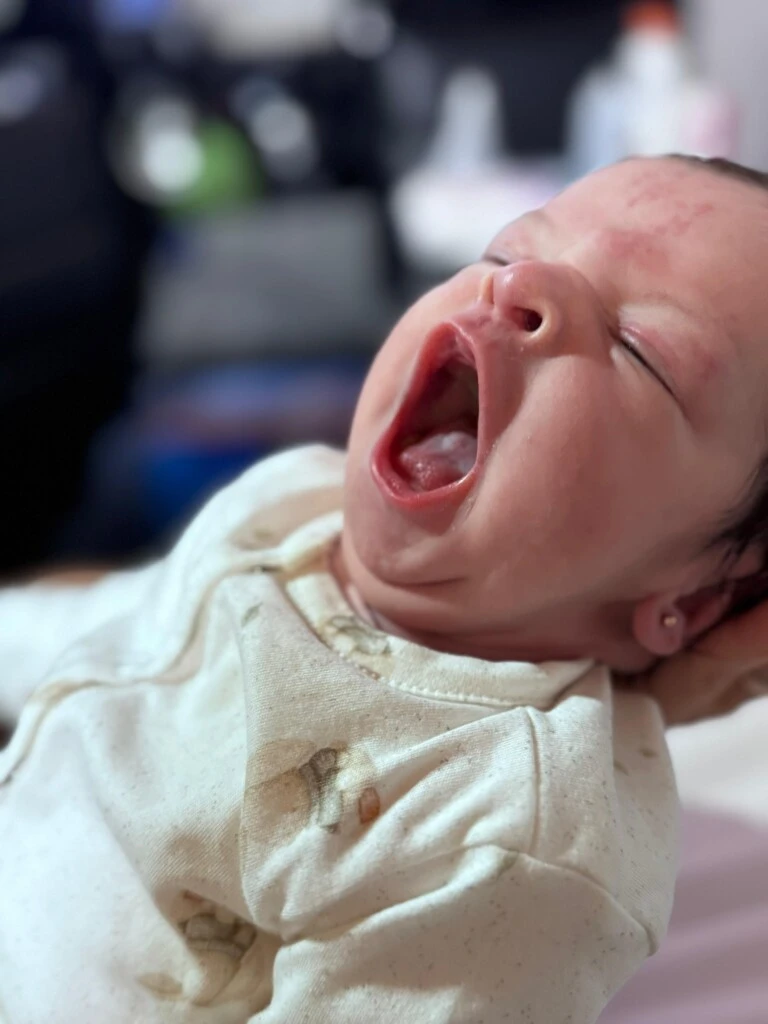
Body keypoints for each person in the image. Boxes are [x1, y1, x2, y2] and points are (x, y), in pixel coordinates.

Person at [2, 154, 768, 1024]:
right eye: (507, 250)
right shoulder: (292, 502)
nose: (524, 286)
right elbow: (121, 633)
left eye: (642, 351)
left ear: (697, 605)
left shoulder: (507, 835)